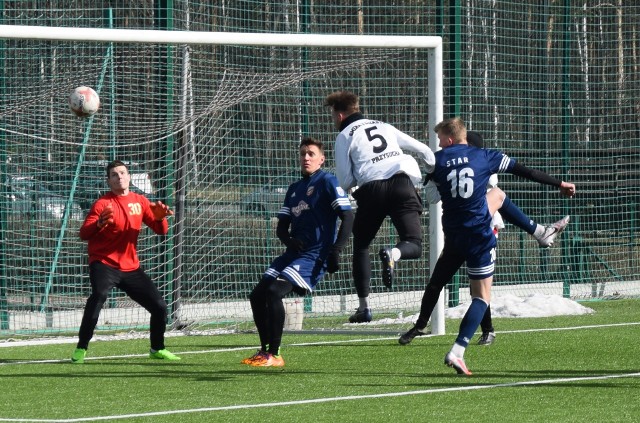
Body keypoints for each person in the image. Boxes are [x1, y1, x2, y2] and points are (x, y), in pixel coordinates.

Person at [400, 117, 575, 375]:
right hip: (479, 234)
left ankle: (541, 232)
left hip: (455, 236)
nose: (438, 143)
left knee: (497, 196)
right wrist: (559, 184)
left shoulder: (437, 160)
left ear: (449, 139)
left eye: (439, 139)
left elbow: (426, 188)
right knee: (481, 298)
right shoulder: (485, 156)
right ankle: (458, 351)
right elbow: (524, 171)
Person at [241, 137, 354, 367]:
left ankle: (275, 353)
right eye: (303, 153)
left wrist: (336, 251)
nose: (306, 157)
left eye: (311, 153)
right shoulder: (294, 189)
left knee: (274, 291)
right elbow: (282, 226)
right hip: (294, 253)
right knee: (257, 296)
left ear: (321, 159)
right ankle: (264, 352)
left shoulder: (328, 181)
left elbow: (348, 216)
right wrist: (289, 240)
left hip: (314, 254)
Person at [324, 90, 435, 323]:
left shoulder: (344, 135)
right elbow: (425, 151)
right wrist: (431, 176)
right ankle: (393, 253)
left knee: (362, 246)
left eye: (333, 116)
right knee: (413, 244)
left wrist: (356, 183)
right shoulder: (385, 126)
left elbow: (344, 182)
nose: (334, 121)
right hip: (402, 183)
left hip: (372, 189)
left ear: (340, 115)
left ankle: (364, 308)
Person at [71, 160, 180, 363]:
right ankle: (81, 347)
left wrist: (159, 218)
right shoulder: (103, 204)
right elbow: (83, 233)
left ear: (129, 177)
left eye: (122, 173)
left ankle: (157, 348)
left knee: (160, 307)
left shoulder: (140, 201)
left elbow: (162, 231)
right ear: (108, 181)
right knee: (99, 296)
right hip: (104, 263)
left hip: (131, 268)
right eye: (114, 174)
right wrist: (99, 223)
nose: (119, 176)